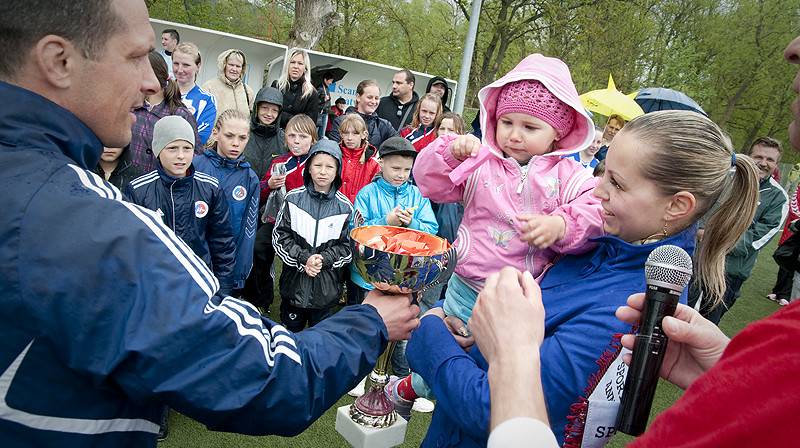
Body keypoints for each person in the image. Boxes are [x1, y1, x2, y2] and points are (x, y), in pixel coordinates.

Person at [0, 1, 420, 445]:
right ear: (58, 61)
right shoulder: (92, 227)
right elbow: (266, 379)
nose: (150, 81)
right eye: (135, 57)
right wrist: (369, 323)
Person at [406, 110, 760, 447]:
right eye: (604, 172)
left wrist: (431, 333)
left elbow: (492, 409)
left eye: (617, 184)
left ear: (677, 206)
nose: (597, 190)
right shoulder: (594, 238)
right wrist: (470, 326)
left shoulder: (631, 306)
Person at [391, 53, 605, 422]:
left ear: (559, 132)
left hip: (520, 297)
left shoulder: (570, 176)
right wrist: (448, 153)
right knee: (446, 349)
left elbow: (597, 211)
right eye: (506, 121)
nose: (514, 134)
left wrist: (561, 226)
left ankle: (426, 397)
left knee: (489, 372)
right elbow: (430, 183)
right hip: (466, 285)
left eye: (530, 127)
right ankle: (411, 387)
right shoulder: (482, 160)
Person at [347, 137, 438, 400]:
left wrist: (414, 225)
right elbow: (356, 232)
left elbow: (432, 230)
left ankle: (397, 378)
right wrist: (384, 221)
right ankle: (360, 373)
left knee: (400, 326)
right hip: (369, 278)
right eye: (395, 168)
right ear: (381, 164)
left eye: (406, 170)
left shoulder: (418, 195)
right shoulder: (367, 194)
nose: (401, 175)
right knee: (366, 324)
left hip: (403, 277)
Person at [126, 115, 237, 297]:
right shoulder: (138, 191)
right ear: (157, 150)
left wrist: (223, 291)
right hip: (156, 287)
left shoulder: (210, 188)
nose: (181, 155)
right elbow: (132, 248)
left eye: (187, 148)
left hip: (200, 284)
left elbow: (222, 243)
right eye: (172, 148)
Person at [690, 136, 788, 324]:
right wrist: (700, 230)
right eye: (758, 157)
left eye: (770, 160)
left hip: (730, 273)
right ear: (749, 156)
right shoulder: (723, 178)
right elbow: (699, 209)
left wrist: (709, 237)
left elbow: (754, 240)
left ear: (777, 164)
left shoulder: (779, 198)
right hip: (696, 260)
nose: (763, 163)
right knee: (675, 315)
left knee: (707, 327)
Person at [273, 140, 353, 332]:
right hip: (294, 288)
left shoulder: (345, 207)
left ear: (337, 171)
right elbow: (280, 237)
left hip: (326, 291)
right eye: (317, 165)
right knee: (292, 335)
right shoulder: (292, 199)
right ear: (308, 168)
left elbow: (348, 247)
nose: (323, 171)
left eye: (329, 166)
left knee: (319, 340)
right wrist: (304, 259)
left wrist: (323, 260)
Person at [256, 114, 319, 314]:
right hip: (277, 221)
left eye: (303, 136)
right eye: (292, 136)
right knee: (259, 248)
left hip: (305, 225)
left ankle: (297, 303)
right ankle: (262, 300)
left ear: (313, 140)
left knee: (297, 264)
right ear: (285, 139)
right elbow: (261, 192)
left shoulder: (317, 162)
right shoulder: (280, 162)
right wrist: (269, 185)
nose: (296, 141)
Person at [193, 109, 259, 294]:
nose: (236, 143)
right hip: (192, 259)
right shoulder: (194, 166)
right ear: (215, 132)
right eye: (229, 136)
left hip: (226, 266)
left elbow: (248, 230)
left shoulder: (250, 179)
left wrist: (238, 273)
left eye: (242, 137)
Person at [240, 86, 286, 313]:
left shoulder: (283, 138)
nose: (268, 114)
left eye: (274, 110)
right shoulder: (245, 134)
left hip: (270, 207)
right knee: (244, 250)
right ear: (256, 108)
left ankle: (264, 300)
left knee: (263, 254)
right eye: (264, 108)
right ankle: (244, 294)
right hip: (244, 201)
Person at [130, 51, 203, 172]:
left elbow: (196, 155)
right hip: (128, 183)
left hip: (163, 185)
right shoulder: (132, 109)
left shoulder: (180, 115)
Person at [329, 79, 400, 148]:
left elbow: (401, 145)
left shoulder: (384, 125)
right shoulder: (341, 121)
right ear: (358, 97)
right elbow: (333, 150)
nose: (373, 101)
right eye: (369, 97)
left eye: (376, 98)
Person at [173, 42, 217, 145]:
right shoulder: (161, 91)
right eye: (176, 63)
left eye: (186, 65)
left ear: (198, 66)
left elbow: (200, 138)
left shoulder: (207, 100)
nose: (179, 70)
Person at [336, 113, 381, 203]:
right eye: (346, 133)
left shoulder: (373, 163)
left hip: (360, 212)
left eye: (355, 133)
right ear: (340, 133)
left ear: (364, 134)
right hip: (334, 211)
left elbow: (376, 195)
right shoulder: (333, 157)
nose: (349, 138)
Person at [767, 184, 800, 305]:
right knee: (786, 260)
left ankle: (785, 293)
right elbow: (795, 206)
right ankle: (779, 291)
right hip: (794, 233)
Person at [201, 49, 255, 119]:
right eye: (231, 65)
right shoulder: (209, 87)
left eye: (238, 66)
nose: (234, 69)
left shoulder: (248, 91)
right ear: (224, 65)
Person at [273, 48, 319, 128]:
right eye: (292, 62)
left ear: (305, 67)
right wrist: (293, 119)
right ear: (287, 65)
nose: (295, 66)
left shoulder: (311, 93)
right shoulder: (277, 85)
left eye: (300, 63)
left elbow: (310, 123)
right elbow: (271, 112)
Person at [317, 72, 334, 139]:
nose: (331, 83)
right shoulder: (320, 88)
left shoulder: (326, 88)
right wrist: (323, 100)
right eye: (330, 81)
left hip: (325, 113)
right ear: (325, 80)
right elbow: (314, 101)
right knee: (317, 132)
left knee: (322, 134)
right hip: (319, 113)